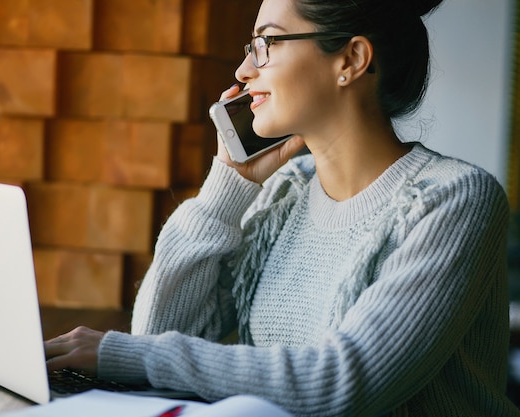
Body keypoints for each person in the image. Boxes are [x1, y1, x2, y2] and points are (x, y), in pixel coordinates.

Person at [44, 0, 518, 415]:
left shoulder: (454, 199)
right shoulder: (287, 191)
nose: (244, 71)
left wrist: (126, 355)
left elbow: (345, 383)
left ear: (351, 59)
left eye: (266, 44)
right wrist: (224, 189)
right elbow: (158, 332)